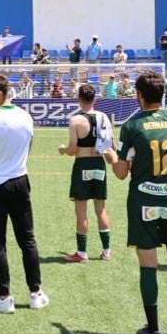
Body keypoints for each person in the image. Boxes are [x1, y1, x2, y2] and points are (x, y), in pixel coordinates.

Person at [112, 71, 167, 334]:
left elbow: (121, 173)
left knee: (148, 264)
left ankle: (153, 328)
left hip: (143, 201)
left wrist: (111, 154)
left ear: (139, 95)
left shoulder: (132, 125)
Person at [0, 75, 48, 313]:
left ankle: (4, 298)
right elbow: (29, 146)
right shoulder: (26, 116)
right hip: (20, 181)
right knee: (27, 239)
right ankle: (36, 294)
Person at [59, 84, 116, 262]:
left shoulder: (76, 120)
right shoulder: (104, 117)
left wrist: (63, 150)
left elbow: (72, 149)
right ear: (94, 99)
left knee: (81, 211)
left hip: (83, 165)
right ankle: (106, 251)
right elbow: (112, 144)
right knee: (101, 210)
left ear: (79, 99)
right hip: (99, 164)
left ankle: (82, 253)